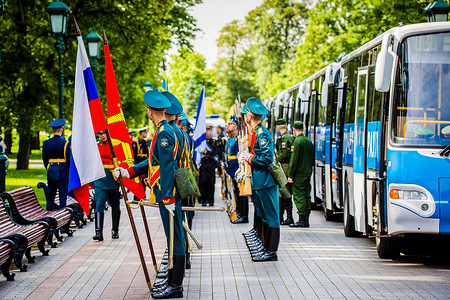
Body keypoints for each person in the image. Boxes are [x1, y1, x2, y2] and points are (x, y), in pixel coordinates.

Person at [114, 90, 185, 299]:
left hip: (167, 193)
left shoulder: (164, 133)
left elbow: (167, 166)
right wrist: (131, 171)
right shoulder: (167, 130)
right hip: (169, 192)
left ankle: (176, 286)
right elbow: (155, 161)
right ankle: (173, 281)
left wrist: (168, 197)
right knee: (173, 236)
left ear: (149, 111)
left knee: (175, 237)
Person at [239, 97, 280, 262]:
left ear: (250, 115)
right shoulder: (256, 132)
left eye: (246, 113)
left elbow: (266, 159)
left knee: (271, 216)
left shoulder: (262, 134)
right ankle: (263, 245)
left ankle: (271, 251)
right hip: (259, 181)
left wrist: (249, 158)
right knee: (263, 214)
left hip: (265, 181)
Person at [92, 131, 121, 241]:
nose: (103, 136)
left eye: (104, 133)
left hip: (113, 179)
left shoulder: (115, 146)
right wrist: (91, 185)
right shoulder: (96, 147)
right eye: (100, 134)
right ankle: (98, 232)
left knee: (115, 206)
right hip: (99, 179)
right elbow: (92, 165)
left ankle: (115, 230)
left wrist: (123, 181)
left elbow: (121, 161)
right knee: (99, 205)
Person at [288, 121, 314, 228]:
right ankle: (306, 219)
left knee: (299, 195)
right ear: (303, 129)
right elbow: (312, 157)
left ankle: (301, 219)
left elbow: (294, 161)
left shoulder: (297, 142)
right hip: (307, 172)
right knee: (307, 194)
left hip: (298, 173)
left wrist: (290, 175)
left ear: (293, 129)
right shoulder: (308, 141)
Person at [42, 119, 70, 210]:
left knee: (50, 197)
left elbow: (45, 159)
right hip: (63, 171)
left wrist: (49, 168)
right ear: (61, 129)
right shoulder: (65, 143)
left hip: (51, 171)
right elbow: (68, 159)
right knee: (62, 198)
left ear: (52, 130)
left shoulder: (46, 143)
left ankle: (48, 216)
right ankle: (63, 216)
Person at [226, 117, 249, 224]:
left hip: (237, 168)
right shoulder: (230, 139)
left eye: (230, 124)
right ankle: (239, 212)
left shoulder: (240, 139)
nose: (228, 126)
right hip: (231, 168)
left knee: (241, 192)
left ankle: (244, 216)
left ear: (236, 126)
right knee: (236, 192)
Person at [275, 118, 294, 225]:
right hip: (283, 168)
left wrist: (276, 157)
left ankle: (288, 217)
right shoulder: (283, 138)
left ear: (277, 127)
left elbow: (285, 154)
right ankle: (282, 216)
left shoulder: (286, 138)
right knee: (281, 194)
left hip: (285, 169)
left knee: (285, 194)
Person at [199, 124, 218, 206]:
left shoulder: (214, 141)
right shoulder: (201, 142)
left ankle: (211, 200)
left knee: (211, 183)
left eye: (209, 130)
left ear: (211, 131)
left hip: (211, 164)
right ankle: (203, 200)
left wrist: (208, 152)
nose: (207, 132)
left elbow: (217, 151)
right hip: (203, 164)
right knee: (203, 183)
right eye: (206, 130)